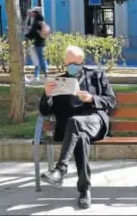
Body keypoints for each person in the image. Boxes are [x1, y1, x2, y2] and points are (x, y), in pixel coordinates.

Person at [39, 45, 117, 209]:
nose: (71, 66)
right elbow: (45, 110)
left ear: (82, 61)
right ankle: (84, 191)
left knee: (76, 122)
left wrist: (92, 98)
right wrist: (47, 95)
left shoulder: (97, 75)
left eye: (75, 62)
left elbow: (111, 101)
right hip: (72, 132)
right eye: (68, 63)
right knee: (79, 134)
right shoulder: (58, 82)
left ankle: (60, 170)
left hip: (95, 121)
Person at [25, 6, 48, 81]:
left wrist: (27, 36)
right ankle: (40, 74)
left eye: (31, 12)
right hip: (40, 42)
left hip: (39, 43)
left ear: (35, 13)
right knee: (39, 59)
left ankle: (42, 74)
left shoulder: (37, 21)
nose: (30, 13)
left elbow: (33, 32)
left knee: (39, 60)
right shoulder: (40, 19)